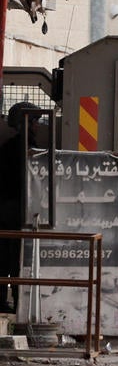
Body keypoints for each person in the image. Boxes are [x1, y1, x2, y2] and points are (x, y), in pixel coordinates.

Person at [0, 102, 40, 313]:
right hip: (13, 211)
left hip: (10, 210)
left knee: (9, 259)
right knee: (13, 258)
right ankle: (14, 303)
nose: (38, 126)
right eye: (35, 121)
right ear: (26, 122)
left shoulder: (13, 146)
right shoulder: (22, 148)